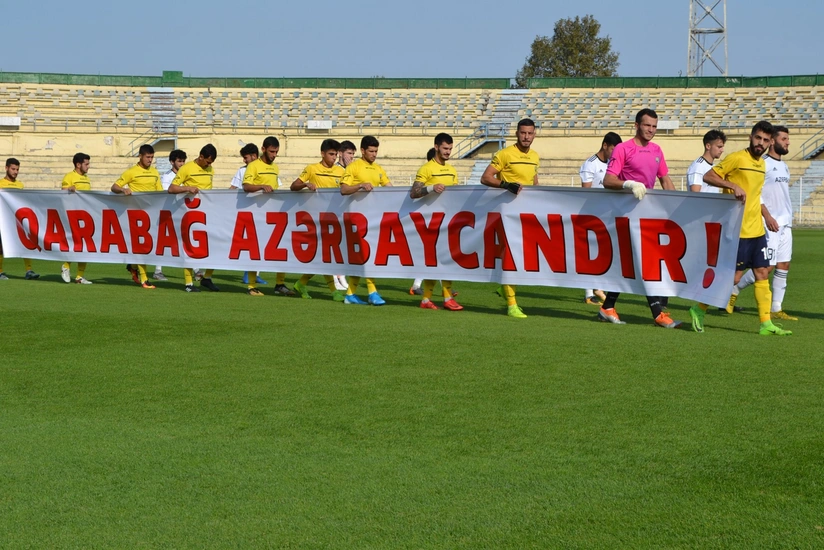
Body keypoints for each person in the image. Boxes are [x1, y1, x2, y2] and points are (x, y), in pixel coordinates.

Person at [688, 121, 791, 336]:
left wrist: (765, 217)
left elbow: (756, 196)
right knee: (729, 277)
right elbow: (709, 176)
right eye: (757, 138)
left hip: (756, 229)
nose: (760, 143)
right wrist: (732, 185)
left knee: (762, 273)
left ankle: (766, 323)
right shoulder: (737, 158)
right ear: (750, 137)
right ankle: (698, 309)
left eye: (765, 140)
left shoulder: (762, 164)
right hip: (737, 230)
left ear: (769, 142)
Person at [601, 108, 681, 328]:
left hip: (649, 215)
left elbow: (665, 180)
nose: (651, 130)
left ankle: (607, 306)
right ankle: (657, 313)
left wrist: (679, 206)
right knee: (645, 261)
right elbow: (608, 180)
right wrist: (629, 184)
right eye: (647, 125)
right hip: (625, 214)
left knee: (635, 263)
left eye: (654, 126)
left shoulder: (657, 150)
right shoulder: (623, 149)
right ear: (637, 125)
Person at [723, 125, 797, 321]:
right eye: (784, 139)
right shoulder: (762, 163)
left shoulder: (784, 165)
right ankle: (733, 290)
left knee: (783, 265)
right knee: (766, 267)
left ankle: (776, 308)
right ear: (773, 141)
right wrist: (768, 216)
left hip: (785, 222)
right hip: (768, 222)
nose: (787, 142)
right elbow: (757, 195)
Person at [480, 118, 540, 319]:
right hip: (507, 212)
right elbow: (486, 177)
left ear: (534, 134)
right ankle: (512, 304)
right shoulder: (505, 154)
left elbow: (534, 181)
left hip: (527, 213)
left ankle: (505, 287)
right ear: (517, 133)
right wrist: (506, 185)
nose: (526, 137)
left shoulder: (535, 156)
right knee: (511, 255)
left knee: (526, 256)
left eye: (530, 133)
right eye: (523, 133)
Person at [409, 133, 463, 311]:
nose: (448, 152)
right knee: (440, 260)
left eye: (450, 149)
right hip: (430, 220)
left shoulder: (452, 170)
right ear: (436, 147)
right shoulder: (426, 168)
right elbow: (414, 192)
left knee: (441, 261)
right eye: (445, 148)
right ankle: (445, 298)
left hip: (448, 221)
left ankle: (427, 299)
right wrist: (431, 188)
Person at [289, 138, 346, 301]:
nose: (333, 157)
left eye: (335, 154)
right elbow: (293, 186)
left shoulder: (340, 172)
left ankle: (301, 284)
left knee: (325, 256)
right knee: (325, 255)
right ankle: (333, 291)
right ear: (322, 153)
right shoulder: (312, 169)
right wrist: (306, 184)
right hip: (315, 218)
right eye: (331, 154)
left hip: (334, 218)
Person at [339, 135, 392, 305]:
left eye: (376, 151)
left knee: (366, 256)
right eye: (371, 151)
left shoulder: (378, 169)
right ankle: (372, 292)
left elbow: (390, 188)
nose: (374, 154)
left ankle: (350, 294)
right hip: (357, 217)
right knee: (367, 255)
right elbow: (344, 189)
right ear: (362, 151)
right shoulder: (354, 167)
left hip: (373, 218)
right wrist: (360, 185)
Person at [242, 136, 293, 296]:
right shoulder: (253, 166)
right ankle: (251, 286)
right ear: (263, 149)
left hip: (273, 214)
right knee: (255, 249)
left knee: (281, 246)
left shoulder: (275, 168)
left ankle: (279, 284)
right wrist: (261, 187)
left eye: (276, 152)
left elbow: (275, 189)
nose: (274, 155)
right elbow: (246, 186)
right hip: (256, 213)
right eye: (272, 151)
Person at [168, 143, 220, 293]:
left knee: (216, 246)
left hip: (207, 214)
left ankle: (207, 278)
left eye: (211, 163)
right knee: (190, 247)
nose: (209, 165)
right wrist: (187, 188)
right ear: (201, 157)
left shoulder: (210, 169)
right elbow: (172, 188)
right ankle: (189, 283)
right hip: (191, 214)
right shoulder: (187, 168)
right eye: (208, 162)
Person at [579, 131, 622, 305]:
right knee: (590, 253)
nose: (615, 153)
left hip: (608, 213)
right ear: (605, 146)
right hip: (592, 213)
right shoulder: (590, 164)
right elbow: (586, 191)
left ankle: (597, 288)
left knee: (604, 253)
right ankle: (589, 293)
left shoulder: (613, 164)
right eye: (613, 149)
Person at [111, 144, 162, 289]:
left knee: (148, 246)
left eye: (152, 157)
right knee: (142, 247)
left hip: (151, 215)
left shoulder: (155, 172)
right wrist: (123, 189)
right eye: (148, 157)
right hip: (135, 215)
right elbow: (114, 187)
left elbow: (159, 192)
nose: (150, 160)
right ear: (140, 156)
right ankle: (145, 279)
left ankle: (133, 266)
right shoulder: (131, 172)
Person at [230, 143, 267, 286]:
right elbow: (233, 188)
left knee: (260, 244)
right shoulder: (242, 171)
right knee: (249, 243)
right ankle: (248, 273)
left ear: (254, 156)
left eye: (245, 158)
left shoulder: (265, 168)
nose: (244, 160)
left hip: (262, 211)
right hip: (246, 211)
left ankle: (255, 274)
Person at [0, 158, 39, 281]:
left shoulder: (20, 185)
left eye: (17, 169)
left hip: (17, 220)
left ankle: (29, 270)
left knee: (26, 243)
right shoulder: (1, 184)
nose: (15, 172)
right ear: (6, 168)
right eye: (13, 169)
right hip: (3, 219)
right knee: (1, 246)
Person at [153, 149, 188, 281]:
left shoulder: (186, 174)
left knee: (187, 239)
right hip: (169, 212)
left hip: (183, 211)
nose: (182, 164)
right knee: (163, 241)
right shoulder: (167, 177)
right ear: (172, 162)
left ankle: (195, 270)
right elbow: (167, 193)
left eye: (183, 161)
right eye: (179, 161)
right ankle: (158, 271)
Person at [59, 153, 93, 284]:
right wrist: (69, 188)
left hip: (86, 216)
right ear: (78, 165)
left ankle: (79, 276)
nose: (88, 166)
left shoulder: (86, 178)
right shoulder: (69, 176)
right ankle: (66, 266)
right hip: (73, 215)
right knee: (76, 244)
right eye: (86, 164)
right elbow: (62, 191)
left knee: (86, 245)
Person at [331, 140, 356, 291]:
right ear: (341, 153)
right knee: (334, 245)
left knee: (343, 246)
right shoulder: (335, 169)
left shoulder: (352, 169)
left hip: (346, 212)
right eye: (349, 153)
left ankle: (341, 276)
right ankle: (334, 277)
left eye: (353, 154)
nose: (351, 157)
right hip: (334, 212)